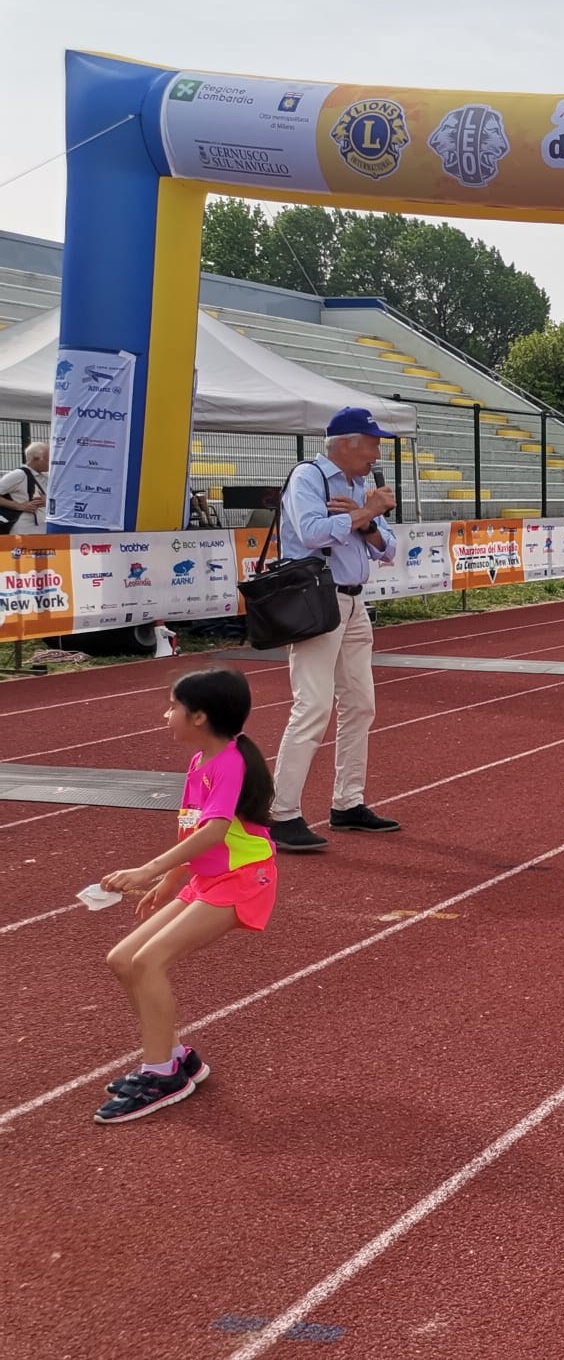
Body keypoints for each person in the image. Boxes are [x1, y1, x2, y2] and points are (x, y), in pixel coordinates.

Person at [94, 669, 277, 1124]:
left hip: (243, 879)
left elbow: (216, 830)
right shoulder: (200, 762)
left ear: (199, 716)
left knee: (148, 961)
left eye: (172, 706)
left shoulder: (229, 763)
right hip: (208, 879)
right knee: (123, 958)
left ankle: (160, 1074)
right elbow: (195, 829)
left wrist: (149, 868)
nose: (165, 714)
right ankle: (176, 1058)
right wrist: (170, 882)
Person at [267, 408, 401, 853]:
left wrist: (366, 519)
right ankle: (281, 811)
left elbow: (389, 547)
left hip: (354, 601)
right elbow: (309, 533)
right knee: (313, 706)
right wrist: (365, 514)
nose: (378, 451)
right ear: (346, 442)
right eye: (373, 442)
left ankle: (348, 803)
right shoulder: (309, 477)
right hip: (318, 601)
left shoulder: (359, 487)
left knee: (361, 704)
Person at [0, 440, 49, 534]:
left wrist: (47, 500)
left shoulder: (45, 476)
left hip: (42, 528)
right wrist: (20, 506)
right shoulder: (19, 475)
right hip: (22, 530)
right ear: (36, 459)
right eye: (47, 459)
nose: (51, 462)